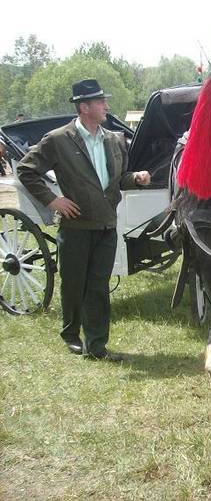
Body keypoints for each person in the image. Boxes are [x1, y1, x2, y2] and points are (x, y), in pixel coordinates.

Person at [17, 79, 151, 361]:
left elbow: (117, 180)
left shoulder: (114, 139)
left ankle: (97, 345)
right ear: (84, 107)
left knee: (99, 286)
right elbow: (26, 170)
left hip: (106, 226)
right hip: (76, 227)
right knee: (74, 283)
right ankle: (70, 334)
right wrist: (53, 200)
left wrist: (135, 178)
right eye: (101, 102)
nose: (107, 106)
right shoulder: (57, 140)